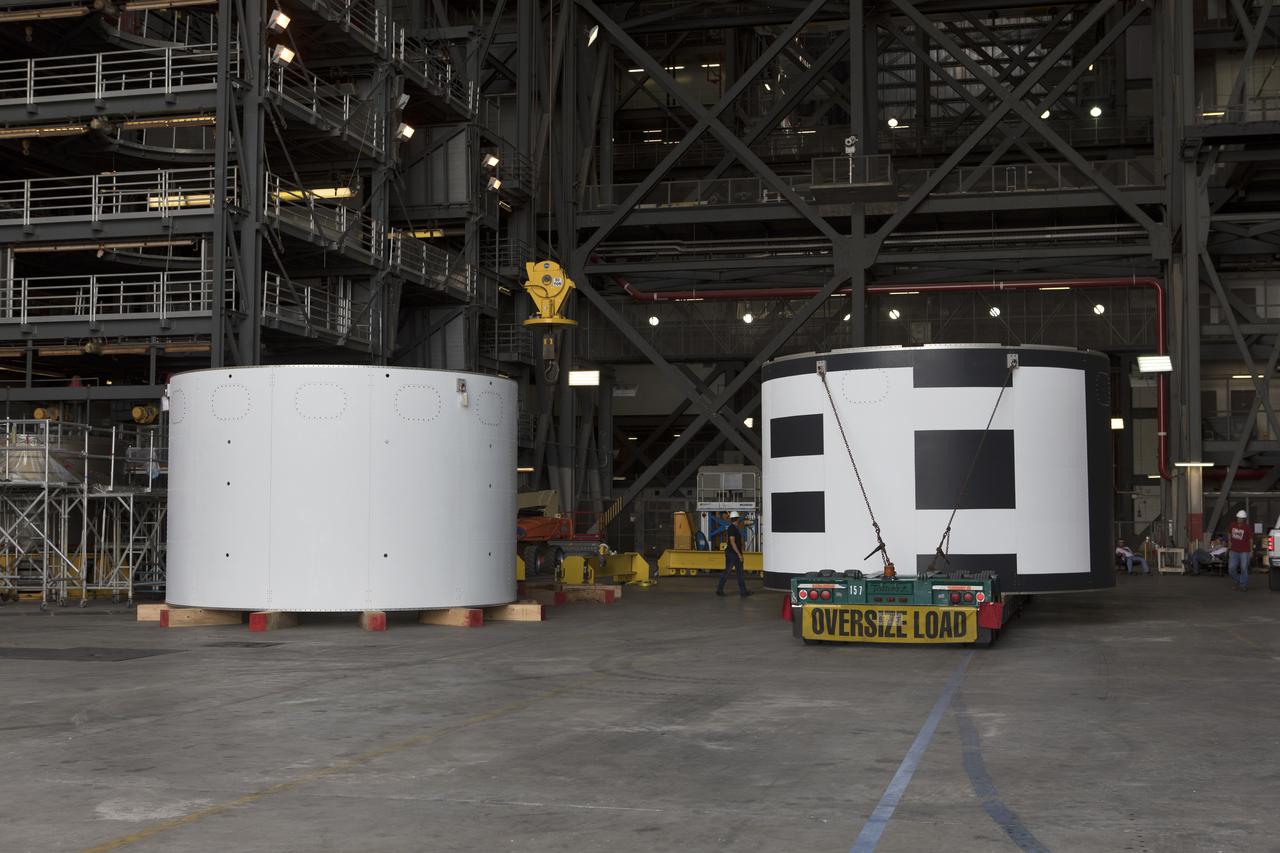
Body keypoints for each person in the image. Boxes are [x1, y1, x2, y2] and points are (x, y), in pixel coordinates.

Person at [715, 511, 752, 598]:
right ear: (737, 519)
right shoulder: (732, 528)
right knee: (727, 572)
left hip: (734, 554)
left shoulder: (734, 528)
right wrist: (739, 554)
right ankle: (719, 590)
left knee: (740, 573)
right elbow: (732, 542)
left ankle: (743, 592)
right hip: (732, 554)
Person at [1227, 509, 1252, 591]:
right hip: (1234, 551)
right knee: (1231, 569)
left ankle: (1243, 585)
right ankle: (1239, 580)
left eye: (1241, 518)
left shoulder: (1247, 528)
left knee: (1244, 568)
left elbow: (1251, 539)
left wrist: (1251, 550)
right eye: (1238, 518)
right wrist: (1229, 541)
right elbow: (1229, 533)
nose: (1239, 519)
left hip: (1244, 551)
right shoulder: (1232, 525)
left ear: (1244, 519)